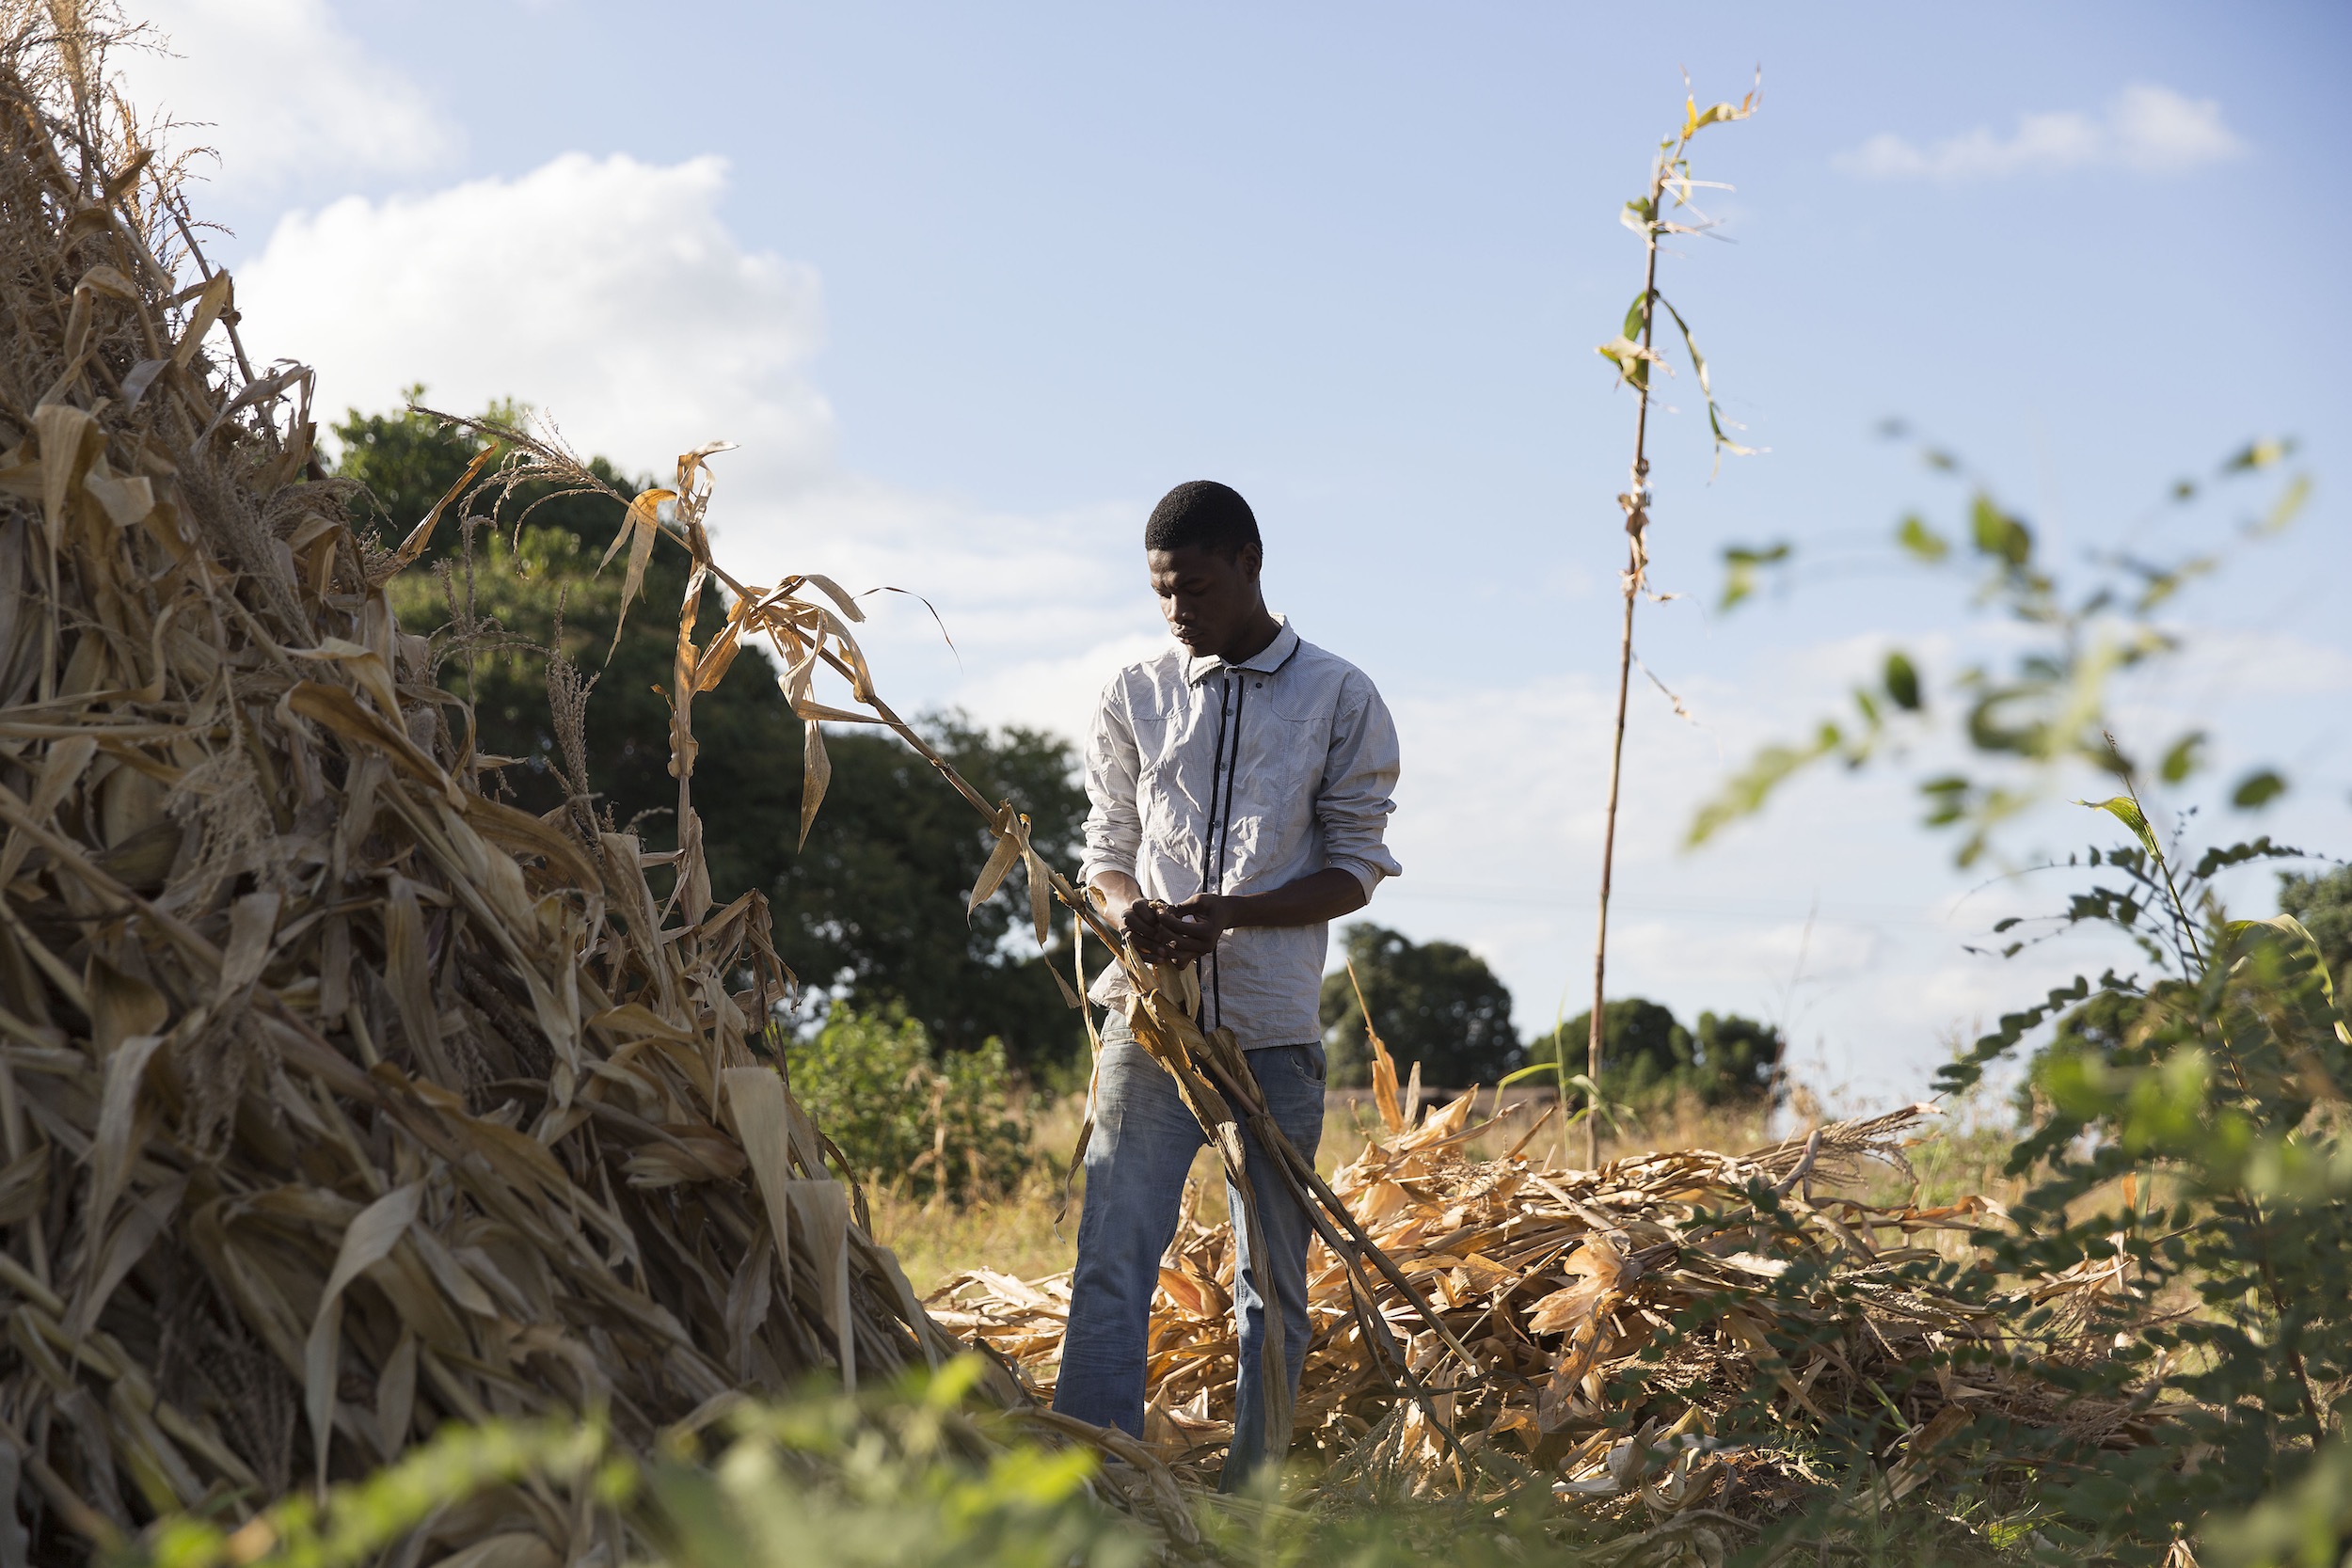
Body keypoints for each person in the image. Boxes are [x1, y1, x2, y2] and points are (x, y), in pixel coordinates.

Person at [1053, 479, 1403, 1488]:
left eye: (1195, 587)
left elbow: (1356, 868)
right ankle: (1096, 1489)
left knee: (1271, 1284)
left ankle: (1254, 1504)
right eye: (1161, 591)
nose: (1177, 610)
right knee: (1112, 1260)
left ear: (1250, 564)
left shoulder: (1339, 696)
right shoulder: (1134, 693)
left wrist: (1231, 913)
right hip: (1150, 1025)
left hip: (1273, 1035)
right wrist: (1129, 910)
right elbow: (1106, 847)